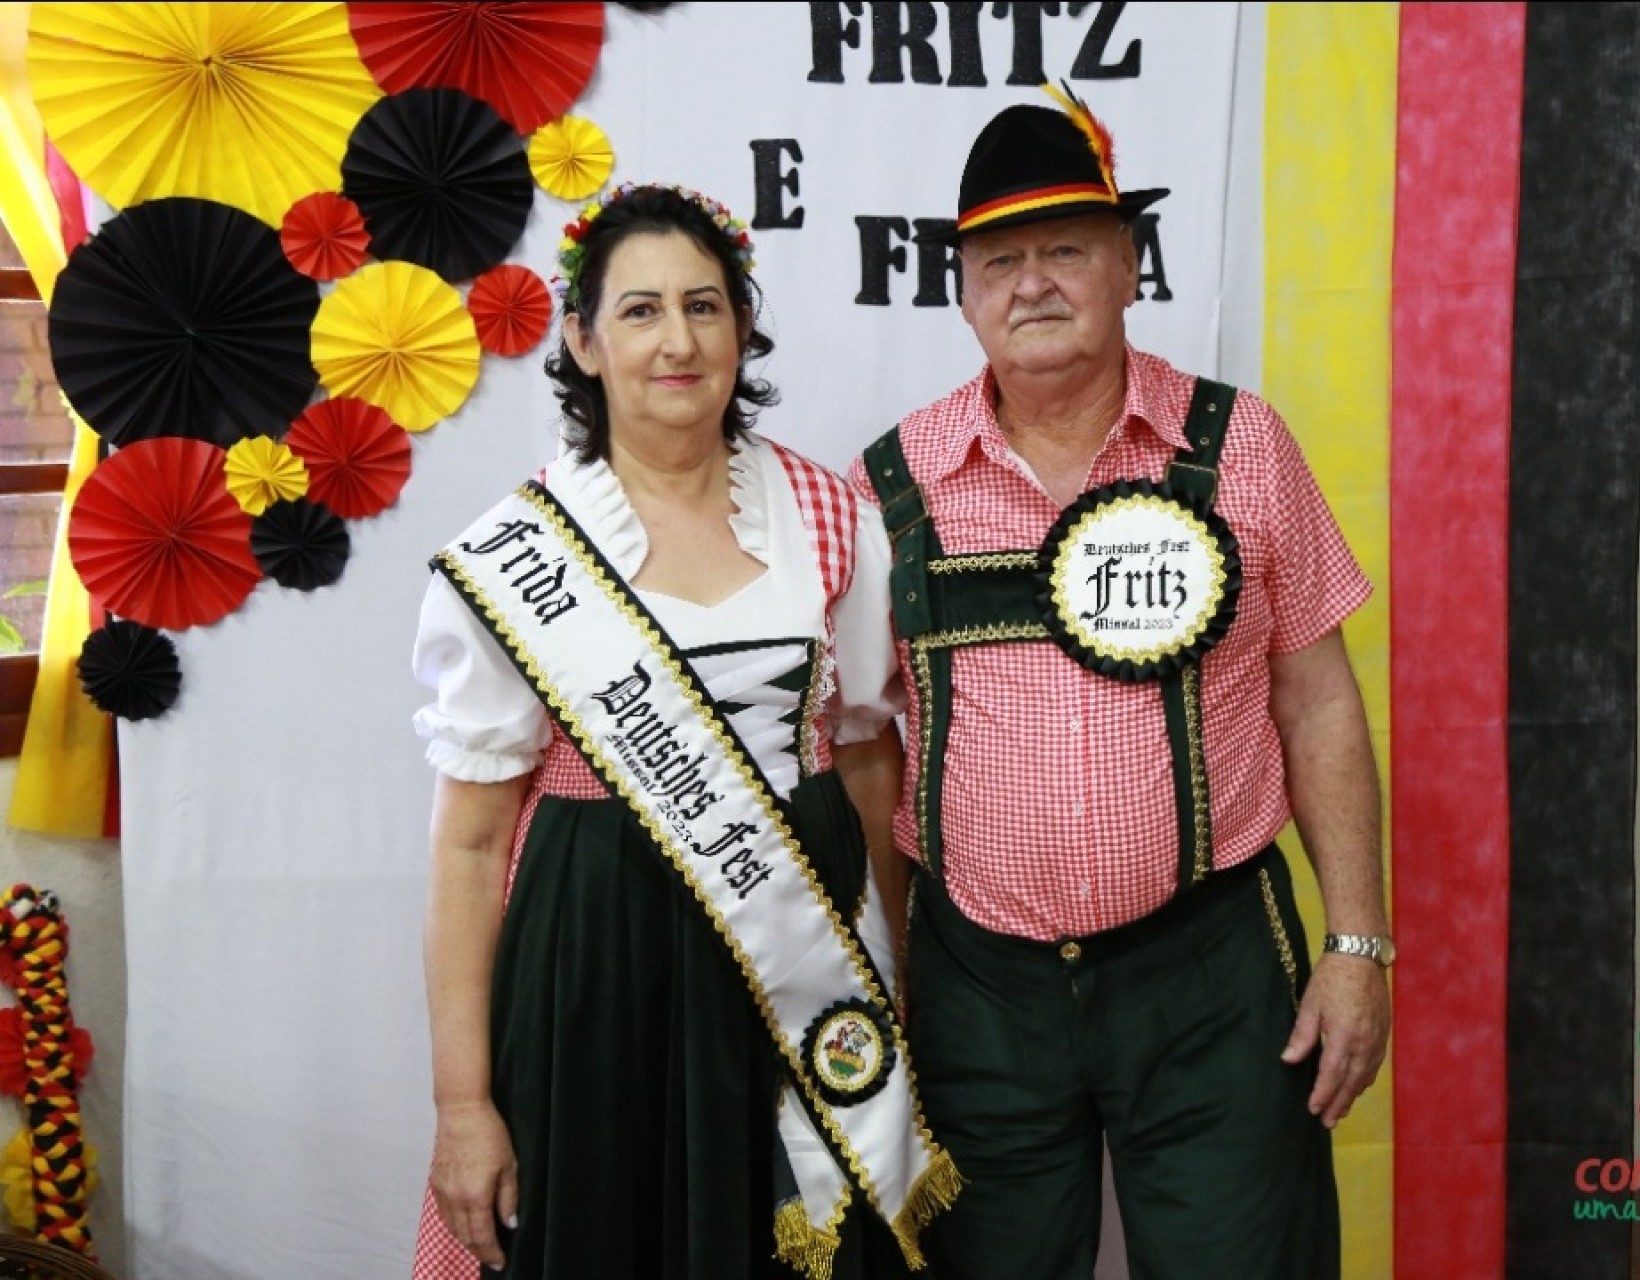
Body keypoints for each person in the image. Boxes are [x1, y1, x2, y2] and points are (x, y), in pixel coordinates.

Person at [847, 88, 1392, 1279]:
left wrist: (1358, 942)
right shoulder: (895, 488)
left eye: (1065, 249)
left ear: (1129, 265)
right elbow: (860, 742)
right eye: (999, 259)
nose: (1032, 281)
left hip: (1214, 976)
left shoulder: (1242, 448)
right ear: (963, 290)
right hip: (976, 986)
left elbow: (1319, 700)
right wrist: (881, 971)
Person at [407, 182, 958, 1280]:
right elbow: (469, 847)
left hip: (804, 947)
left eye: (706, 306)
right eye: (642, 310)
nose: (679, 340)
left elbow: (861, 756)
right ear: (584, 338)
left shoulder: (831, 515)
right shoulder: (519, 553)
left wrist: (894, 987)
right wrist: (463, 1102)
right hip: (598, 959)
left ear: (743, 326)